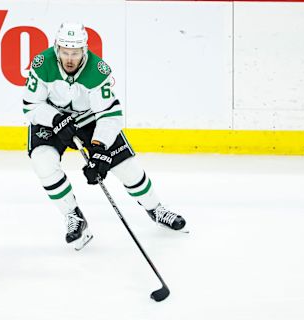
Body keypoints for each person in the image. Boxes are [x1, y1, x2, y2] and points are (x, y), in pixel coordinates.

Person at [22, 22, 186, 250]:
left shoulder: (97, 71)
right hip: (52, 119)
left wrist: (99, 149)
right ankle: (74, 217)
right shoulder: (42, 64)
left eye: (75, 53)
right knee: (42, 161)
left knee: (127, 168)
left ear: (84, 50)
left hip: (90, 120)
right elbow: (31, 106)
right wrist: (56, 120)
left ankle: (156, 208)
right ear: (57, 48)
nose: (70, 58)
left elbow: (109, 114)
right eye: (65, 52)